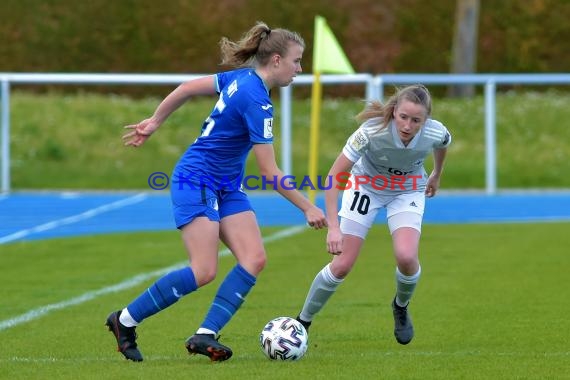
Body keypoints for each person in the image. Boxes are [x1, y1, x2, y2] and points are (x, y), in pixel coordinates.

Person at [106, 21, 327, 362]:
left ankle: (205, 334)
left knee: (254, 259)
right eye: (297, 61)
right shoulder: (258, 101)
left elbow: (187, 88)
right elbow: (269, 171)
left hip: (226, 184)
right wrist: (307, 208)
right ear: (278, 60)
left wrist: (156, 120)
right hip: (196, 179)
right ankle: (124, 320)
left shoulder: (242, 78)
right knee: (204, 270)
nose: (300, 69)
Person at [295, 84, 451, 345]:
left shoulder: (435, 131)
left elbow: (443, 144)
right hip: (366, 186)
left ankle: (400, 306)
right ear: (394, 112)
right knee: (342, 265)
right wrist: (334, 227)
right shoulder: (370, 131)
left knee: (406, 256)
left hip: (408, 190)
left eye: (416, 120)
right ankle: (303, 321)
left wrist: (436, 173)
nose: (408, 126)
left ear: (426, 120)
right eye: (403, 117)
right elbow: (334, 177)